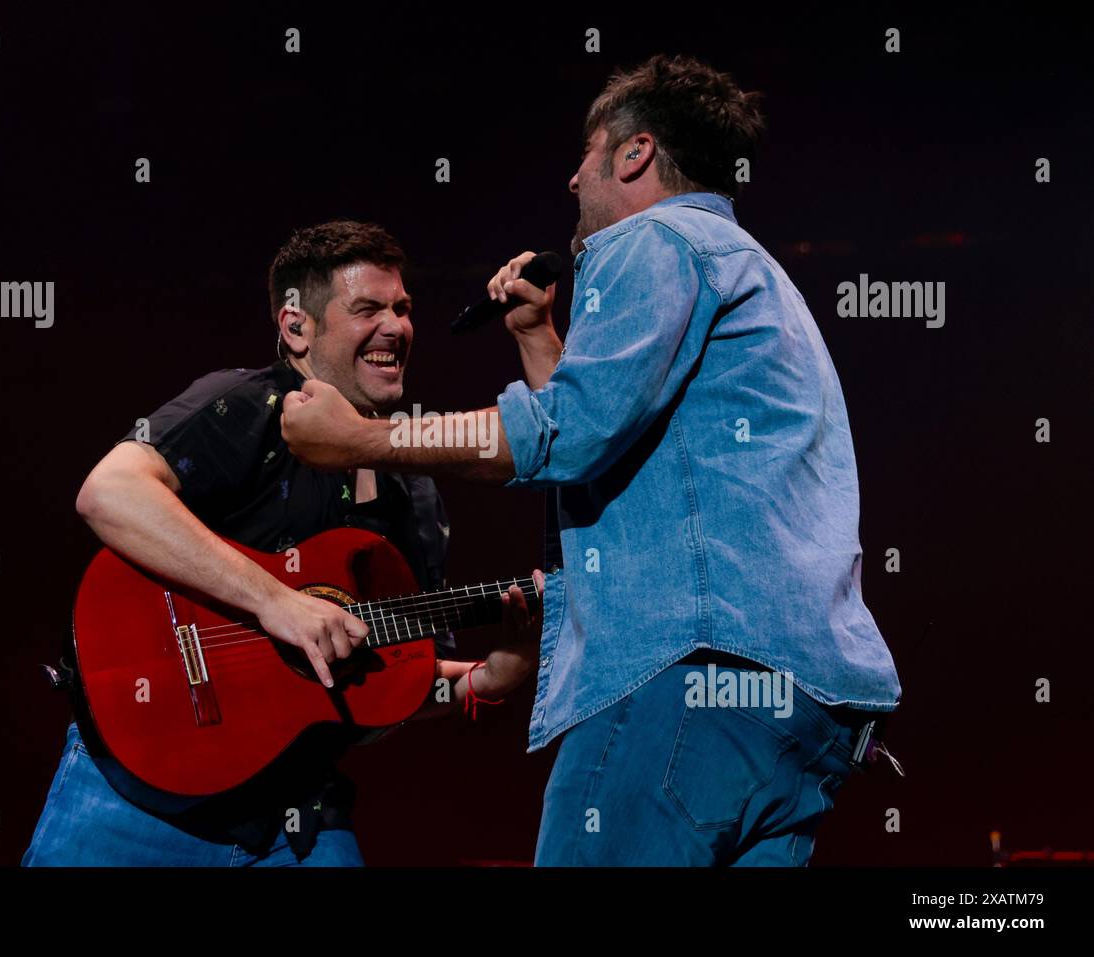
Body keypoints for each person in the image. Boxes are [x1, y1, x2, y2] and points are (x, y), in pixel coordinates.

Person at [280, 55, 902, 866]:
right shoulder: (752, 267)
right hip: (804, 707)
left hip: (685, 682)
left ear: (634, 153)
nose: (573, 179)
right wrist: (540, 335)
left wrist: (358, 439)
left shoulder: (653, 239)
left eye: (586, 153)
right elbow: (605, 443)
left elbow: (562, 432)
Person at [22, 220, 541, 867]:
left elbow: (394, 688)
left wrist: (490, 679)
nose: (396, 327)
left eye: (403, 308)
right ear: (297, 328)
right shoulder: (248, 407)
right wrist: (276, 601)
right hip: (137, 796)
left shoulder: (415, 494)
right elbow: (110, 491)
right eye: (368, 309)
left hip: (295, 822)